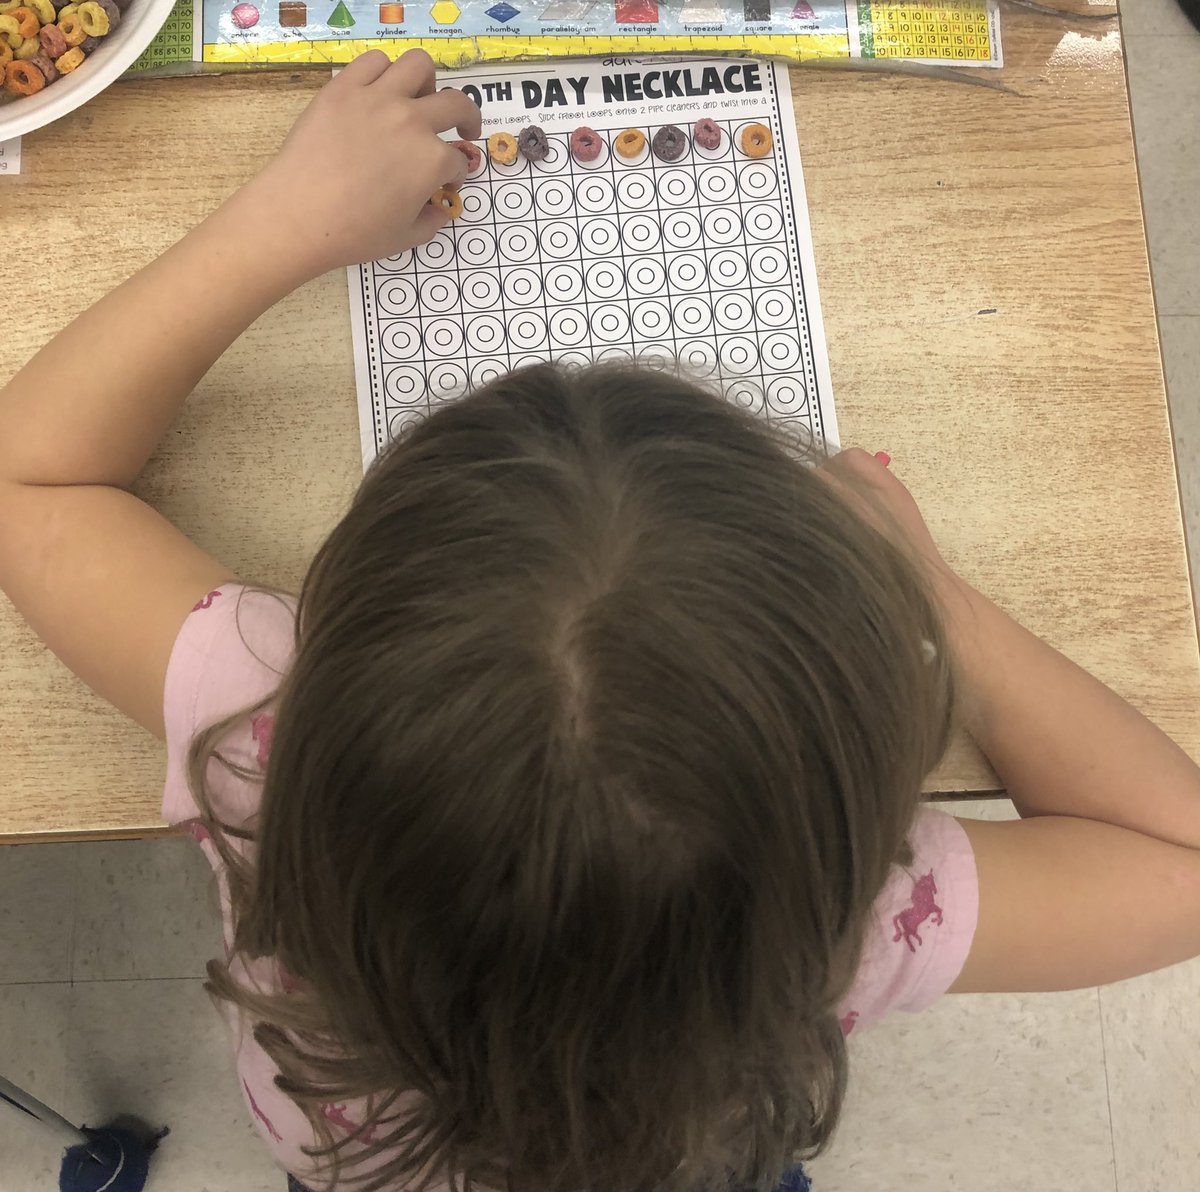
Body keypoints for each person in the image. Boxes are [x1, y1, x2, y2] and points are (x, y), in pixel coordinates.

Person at [3, 48, 1200, 1192]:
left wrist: (279, 225)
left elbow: (28, 478)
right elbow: (1177, 864)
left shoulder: (263, 744)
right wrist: (932, 595)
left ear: (340, 626)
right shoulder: (848, 910)